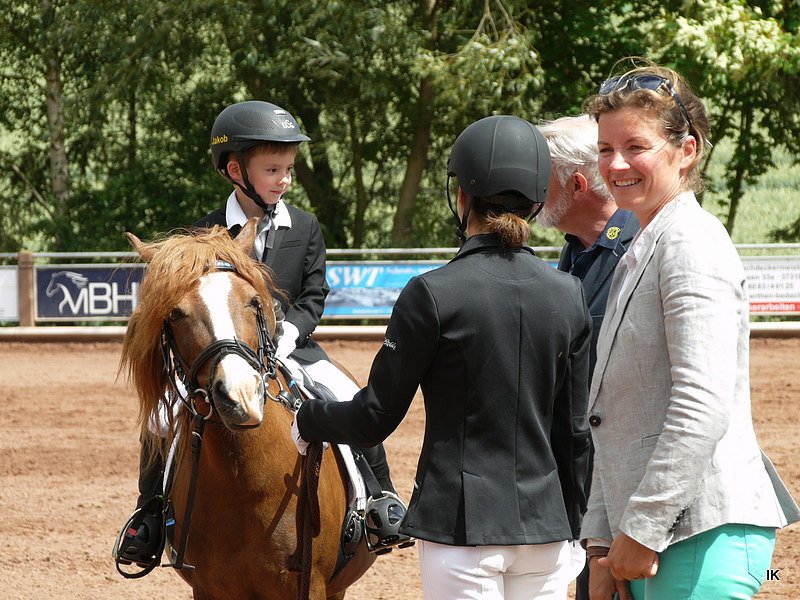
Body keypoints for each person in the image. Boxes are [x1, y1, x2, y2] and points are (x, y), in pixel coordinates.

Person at [293, 115, 593, 599]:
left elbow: (374, 417)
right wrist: (575, 524)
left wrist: (311, 418)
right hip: (549, 530)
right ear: (537, 203)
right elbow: (575, 431)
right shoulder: (569, 294)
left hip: (461, 525)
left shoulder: (431, 293)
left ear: (462, 197)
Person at [116, 100, 406, 568]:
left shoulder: (306, 227)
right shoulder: (204, 233)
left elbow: (315, 293)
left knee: (348, 393)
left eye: (288, 169)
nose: (284, 179)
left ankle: (381, 499)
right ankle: (149, 513)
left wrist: (289, 335)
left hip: (293, 349)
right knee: (162, 413)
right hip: (223, 350)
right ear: (235, 169)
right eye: (273, 169)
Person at [578, 60, 800, 600]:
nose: (617, 163)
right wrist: (601, 544)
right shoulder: (645, 244)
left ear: (688, 150)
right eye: (606, 149)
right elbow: (615, 415)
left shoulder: (689, 244)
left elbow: (700, 403)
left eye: (636, 146)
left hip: (698, 536)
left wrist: (641, 530)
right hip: (663, 541)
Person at [536, 115, 639, 600]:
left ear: (577, 184)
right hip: (579, 485)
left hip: (627, 487)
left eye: (543, 175)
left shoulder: (641, 248)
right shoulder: (573, 254)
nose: (532, 188)